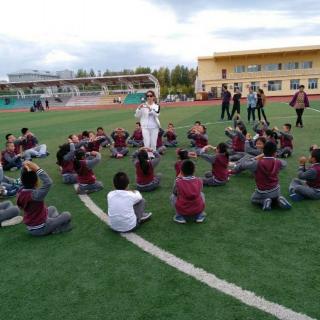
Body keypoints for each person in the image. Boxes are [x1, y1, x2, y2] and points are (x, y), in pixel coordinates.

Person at [17, 161, 72, 236]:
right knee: (67, 215)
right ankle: (56, 228)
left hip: (32, 226)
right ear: (36, 181)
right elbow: (48, 182)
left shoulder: (20, 191)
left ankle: (55, 224)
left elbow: (24, 177)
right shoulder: (35, 195)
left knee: (52, 208)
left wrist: (25, 167)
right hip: (41, 228)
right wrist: (37, 168)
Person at [249, 141, 291, 211]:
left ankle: (264, 201)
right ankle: (277, 200)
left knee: (253, 199)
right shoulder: (278, 162)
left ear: (263, 151)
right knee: (274, 194)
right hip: (276, 190)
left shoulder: (257, 163)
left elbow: (247, 162)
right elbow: (285, 163)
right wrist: (275, 158)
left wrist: (257, 157)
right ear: (274, 153)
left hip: (262, 192)